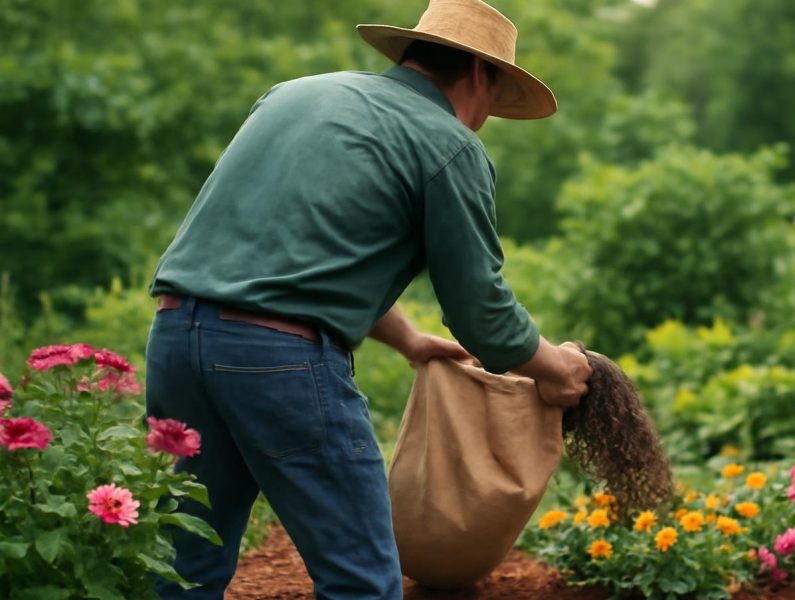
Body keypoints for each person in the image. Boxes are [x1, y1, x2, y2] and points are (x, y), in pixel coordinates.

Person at [143, 0, 593, 598]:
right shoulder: (450, 146)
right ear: (482, 75)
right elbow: (481, 312)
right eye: (495, 98)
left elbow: (298, 253)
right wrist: (554, 366)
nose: (486, 118)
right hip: (278, 366)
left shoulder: (293, 97)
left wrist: (407, 339)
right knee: (361, 580)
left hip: (175, 341)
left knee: (186, 564)